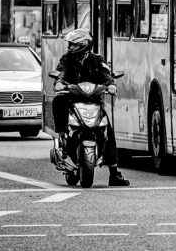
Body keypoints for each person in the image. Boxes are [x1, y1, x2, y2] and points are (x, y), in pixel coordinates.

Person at [52, 29, 129, 186]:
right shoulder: (67, 58)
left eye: (74, 45)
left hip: (93, 100)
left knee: (108, 131)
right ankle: (61, 134)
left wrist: (111, 85)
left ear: (83, 45)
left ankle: (114, 173)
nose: (71, 47)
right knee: (58, 100)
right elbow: (62, 72)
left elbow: (106, 74)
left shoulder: (97, 59)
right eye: (70, 45)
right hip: (72, 98)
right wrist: (59, 83)